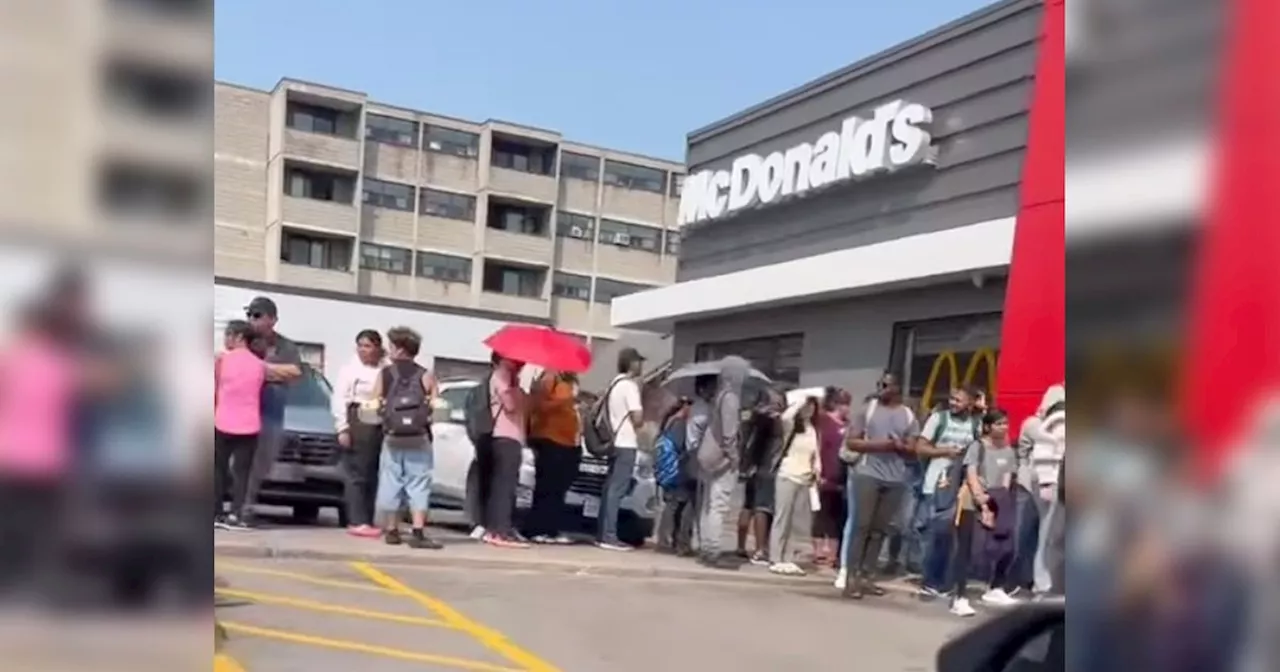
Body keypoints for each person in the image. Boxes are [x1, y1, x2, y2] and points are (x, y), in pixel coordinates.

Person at [841, 377, 920, 599]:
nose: (881, 389)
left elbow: (913, 449)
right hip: (868, 474)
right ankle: (852, 578)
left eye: (886, 385)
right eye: (879, 385)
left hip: (895, 478)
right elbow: (852, 442)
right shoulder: (868, 410)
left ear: (897, 388)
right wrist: (881, 445)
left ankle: (868, 576)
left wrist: (900, 446)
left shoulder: (908, 415)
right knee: (862, 526)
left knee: (879, 530)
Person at [371, 327, 441, 550]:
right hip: (419, 438)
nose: (389, 349)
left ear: (400, 349)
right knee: (418, 481)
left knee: (391, 479)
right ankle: (418, 531)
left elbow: (373, 403)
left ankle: (392, 530)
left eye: (391, 346)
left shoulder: (385, 374)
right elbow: (437, 406)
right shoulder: (425, 375)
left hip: (392, 437)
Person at [947, 409, 1021, 617]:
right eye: (999, 424)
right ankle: (959, 597)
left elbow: (1007, 477)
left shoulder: (1008, 450)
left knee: (1006, 547)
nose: (1004, 427)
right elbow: (971, 474)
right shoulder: (977, 447)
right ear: (988, 427)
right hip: (974, 500)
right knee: (966, 549)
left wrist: (1001, 504)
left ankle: (996, 588)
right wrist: (983, 503)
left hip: (998, 500)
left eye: (1006, 423)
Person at [241, 296, 303, 527]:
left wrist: (259, 370)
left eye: (257, 315)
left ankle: (246, 505)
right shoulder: (243, 342)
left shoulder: (286, 346)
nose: (252, 320)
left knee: (262, 464)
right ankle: (238, 508)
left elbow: (295, 373)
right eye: (250, 315)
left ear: (272, 319)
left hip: (272, 414)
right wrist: (272, 372)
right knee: (237, 464)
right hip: (242, 413)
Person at [914, 386, 980, 596]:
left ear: (970, 403)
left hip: (960, 488)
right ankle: (929, 580)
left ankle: (945, 579)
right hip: (936, 484)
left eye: (959, 400)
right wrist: (945, 451)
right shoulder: (938, 419)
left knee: (953, 536)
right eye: (952, 399)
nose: (953, 403)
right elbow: (920, 447)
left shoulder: (975, 424)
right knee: (934, 533)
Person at [695, 356, 750, 570]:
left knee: (709, 504)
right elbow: (729, 433)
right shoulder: (731, 398)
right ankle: (713, 550)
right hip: (722, 459)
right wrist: (734, 456)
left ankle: (707, 546)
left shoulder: (719, 396)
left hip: (710, 455)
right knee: (718, 503)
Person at [332, 329, 386, 538]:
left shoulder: (384, 368)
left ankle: (368, 518)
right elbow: (339, 399)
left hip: (378, 420)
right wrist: (342, 427)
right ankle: (356, 518)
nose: (364, 350)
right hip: (358, 417)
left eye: (368, 346)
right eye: (361, 345)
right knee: (357, 472)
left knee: (372, 473)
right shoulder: (350, 369)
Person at [213, 320, 265, 531]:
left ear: (238, 337)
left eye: (228, 335)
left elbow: (214, 389)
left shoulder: (222, 361)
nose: (226, 339)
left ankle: (215, 512)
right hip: (249, 423)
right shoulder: (260, 364)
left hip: (222, 420)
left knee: (218, 469)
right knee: (242, 472)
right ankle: (236, 513)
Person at [525, 369, 582, 544]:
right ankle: (537, 529)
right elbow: (540, 406)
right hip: (551, 439)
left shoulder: (570, 383)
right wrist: (565, 400)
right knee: (547, 487)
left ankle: (551, 529)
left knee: (559, 488)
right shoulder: (550, 379)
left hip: (568, 442)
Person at [597, 347, 646, 551]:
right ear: (632, 363)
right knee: (617, 490)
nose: (642, 365)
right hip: (626, 442)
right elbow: (638, 418)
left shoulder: (614, 384)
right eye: (639, 361)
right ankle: (610, 536)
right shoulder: (629, 386)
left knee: (610, 488)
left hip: (613, 441)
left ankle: (602, 533)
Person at [767, 396, 822, 576]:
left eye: (813, 408)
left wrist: (817, 470)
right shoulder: (791, 427)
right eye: (808, 407)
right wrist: (800, 401)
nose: (810, 411)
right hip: (787, 475)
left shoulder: (813, 430)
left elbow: (815, 454)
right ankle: (776, 557)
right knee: (782, 517)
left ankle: (788, 557)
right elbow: (785, 417)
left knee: (795, 522)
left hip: (804, 478)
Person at [481, 353, 527, 548]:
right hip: (505, 436)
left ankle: (500, 528)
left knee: (507, 485)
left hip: (513, 436)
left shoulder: (510, 377)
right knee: (504, 486)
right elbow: (510, 405)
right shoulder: (502, 375)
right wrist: (518, 392)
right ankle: (498, 531)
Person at [736, 389, 785, 565]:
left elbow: (744, 443)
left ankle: (741, 546)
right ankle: (760, 550)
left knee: (747, 506)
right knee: (763, 508)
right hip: (767, 467)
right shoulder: (773, 420)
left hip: (750, 467)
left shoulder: (750, 418)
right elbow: (775, 445)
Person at [814, 386, 851, 573]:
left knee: (837, 517)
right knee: (822, 514)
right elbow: (819, 446)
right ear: (837, 404)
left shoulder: (848, 425)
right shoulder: (825, 421)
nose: (848, 409)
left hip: (842, 477)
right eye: (845, 404)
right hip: (825, 473)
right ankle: (820, 550)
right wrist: (818, 471)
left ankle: (833, 553)